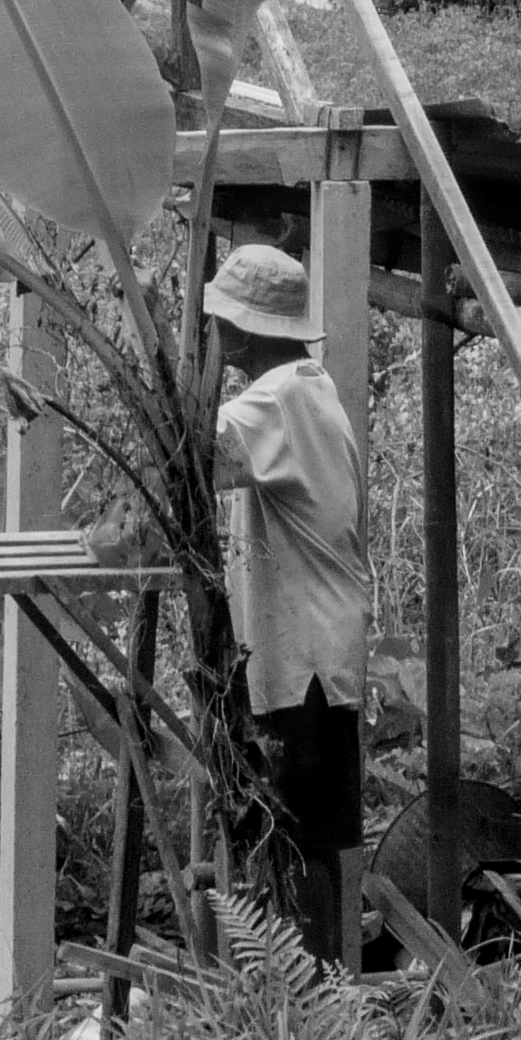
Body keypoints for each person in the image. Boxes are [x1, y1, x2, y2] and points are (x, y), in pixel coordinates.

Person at [208, 243, 372, 963]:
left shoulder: (276, 401)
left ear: (242, 332)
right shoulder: (310, 388)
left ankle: (312, 1000)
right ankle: (322, 990)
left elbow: (191, 454)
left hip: (301, 661)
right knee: (313, 838)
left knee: (297, 837)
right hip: (318, 652)